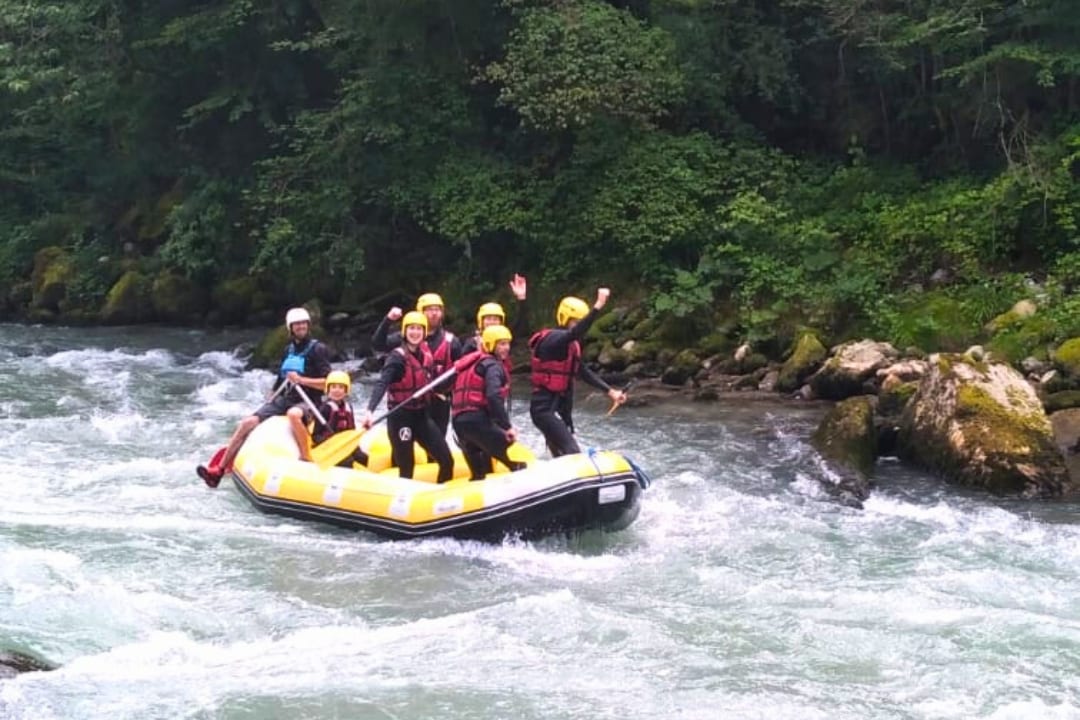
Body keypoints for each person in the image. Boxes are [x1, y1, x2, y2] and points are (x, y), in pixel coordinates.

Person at [198, 307, 331, 486]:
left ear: (308, 325)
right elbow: (281, 378)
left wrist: (302, 380)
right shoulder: (288, 350)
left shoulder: (318, 349)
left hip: (309, 401)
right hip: (286, 398)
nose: (300, 327)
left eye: (303, 323)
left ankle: (306, 459)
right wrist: (273, 393)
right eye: (296, 324)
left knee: (293, 414)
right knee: (247, 423)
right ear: (290, 328)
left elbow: (328, 383)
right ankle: (218, 471)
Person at [528, 288, 626, 457]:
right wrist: (598, 306)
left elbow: (583, 372)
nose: (579, 326)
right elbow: (575, 332)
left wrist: (611, 392)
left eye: (579, 322)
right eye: (575, 321)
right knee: (572, 452)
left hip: (560, 408)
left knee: (563, 453)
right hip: (543, 411)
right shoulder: (553, 339)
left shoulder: (570, 346)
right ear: (564, 319)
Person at [363, 311, 455, 483]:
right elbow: (382, 384)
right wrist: (370, 410)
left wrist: (439, 393)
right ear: (404, 332)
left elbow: (428, 380)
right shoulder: (396, 358)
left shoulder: (426, 355)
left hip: (421, 417)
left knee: (447, 461)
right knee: (407, 468)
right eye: (411, 328)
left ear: (424, 332)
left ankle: (440, 502)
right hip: (400, 419)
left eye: (419, 329)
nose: (415, 332)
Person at [372, 292, 462, 435]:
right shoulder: (406, 337)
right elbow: (378, 344)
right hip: (410, 404)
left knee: (436, 446)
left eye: (437, 309)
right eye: (429, 309)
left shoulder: (452, 342)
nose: (434, 313)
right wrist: (388, 320)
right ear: (421, 312)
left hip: (439, 403)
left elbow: (462, 375)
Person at [451, 325, 526, 480]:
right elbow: (493, 396)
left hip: (459, 423)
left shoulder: (468, 363)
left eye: (507, 343)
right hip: (477, 420)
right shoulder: (493, 366)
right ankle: (517, 469)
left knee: (478, 475)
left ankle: (478, 490)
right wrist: (507, 427)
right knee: (509, 447)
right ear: (491, 345)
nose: (506, 348)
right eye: (501, 344)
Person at [310, 370, 369, 468]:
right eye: (333, 387)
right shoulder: (325, 408)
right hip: (329, 446)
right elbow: (315, 436)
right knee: (347, 461)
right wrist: (331, 443)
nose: (337, 390)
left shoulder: (348, 407)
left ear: (346, 391)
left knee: (363, 457)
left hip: (345, 444)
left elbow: (351, 430)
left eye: (341, 387)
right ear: (328, 389)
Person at [459, 274, 529, 354]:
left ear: (501, 322)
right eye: (488, 319)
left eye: (495, 319)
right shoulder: (472, 343)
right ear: (481, 321)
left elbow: (522, 324)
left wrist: (521, 297)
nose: (492, 322)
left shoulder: (505, 337)